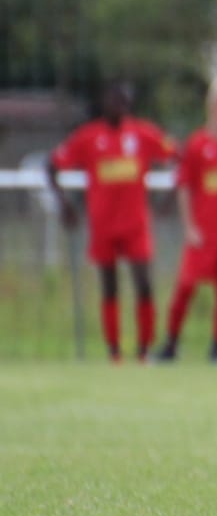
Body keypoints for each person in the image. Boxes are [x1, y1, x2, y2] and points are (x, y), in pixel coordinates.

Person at [47, 81, 177, 362]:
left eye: (124, 101)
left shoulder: (142, 134)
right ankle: (114, 352)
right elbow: (52, 164)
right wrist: (64, 205)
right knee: (109, 287)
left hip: (136, 224)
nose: (119, 106)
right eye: (114, 100)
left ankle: (144, 350)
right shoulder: (89, 137)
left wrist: (170, 199)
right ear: (104, 102)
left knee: (144, 284)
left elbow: (178, 156)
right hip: (103, 225)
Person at [157, 75, 217, 364]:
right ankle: (171, 343)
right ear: (214, 107)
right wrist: (190, 226)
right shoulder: (198, 144)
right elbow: (185, 187)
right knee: (186, 286)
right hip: (204, 233)